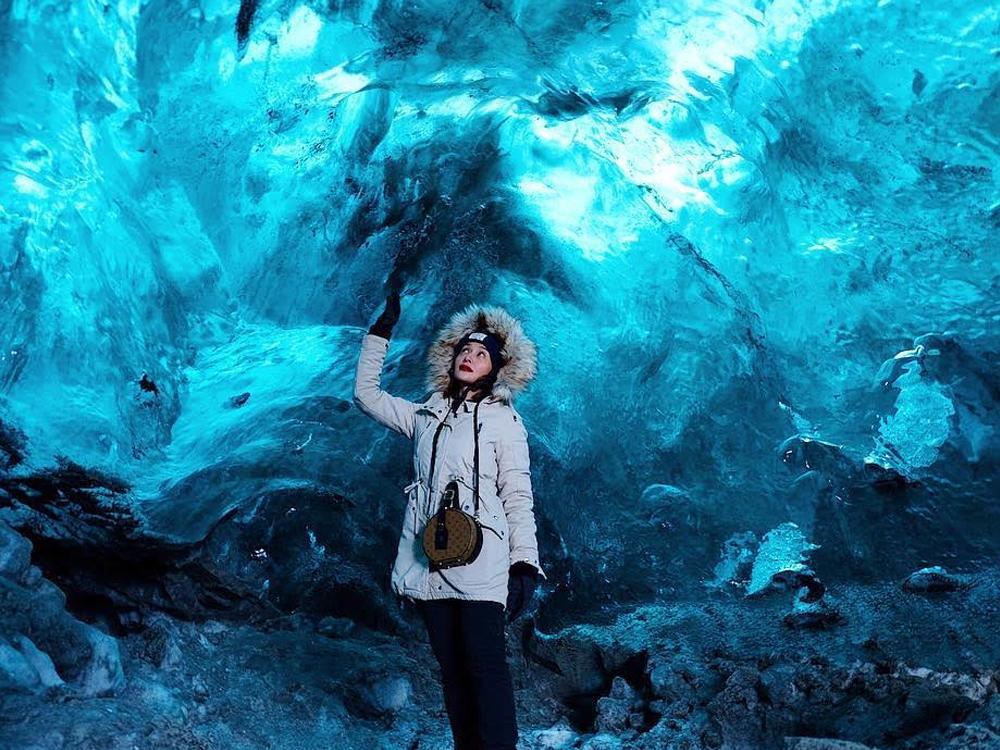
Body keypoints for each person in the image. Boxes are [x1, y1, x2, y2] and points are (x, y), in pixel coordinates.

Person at [353, 289, 545, 750]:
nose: (470, 357)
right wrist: (380, 333)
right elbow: (365, 395)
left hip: (483, 562)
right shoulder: (425, 415)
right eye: (465, 349)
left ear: (496, 369)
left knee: (485, 668)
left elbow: (517, 494)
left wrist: (524, 563)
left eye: (482, 354)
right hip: (430, 559)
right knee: (453, 671)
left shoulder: (504, 422)